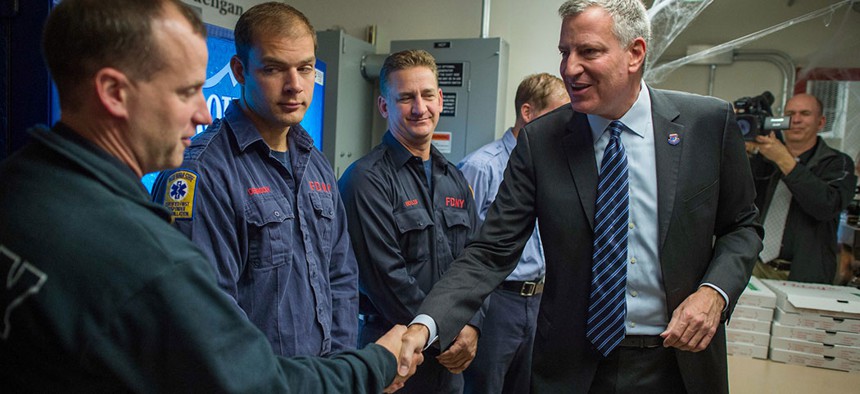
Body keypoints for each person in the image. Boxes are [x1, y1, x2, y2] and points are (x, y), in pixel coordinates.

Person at [0, 0, 417, 391]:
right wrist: (373, 366)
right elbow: (241, 377)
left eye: (306, 68)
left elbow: (339, 276)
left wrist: (342, 364)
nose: (203, 112)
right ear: (113, 92)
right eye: (185, 92)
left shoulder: (24, 186)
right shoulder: (142, 251)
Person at [398, 1, 763, 393]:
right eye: (564, 52)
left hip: (677, 361)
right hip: (573, 368)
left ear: (635, 53)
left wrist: (714, 293)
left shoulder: (707, 125)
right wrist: (427, 322)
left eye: (589, 52)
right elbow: (491, 249)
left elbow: (742, 227)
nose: (569, 69)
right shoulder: (542, 141)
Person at [151, 2, 358, 358]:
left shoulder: (315, 163)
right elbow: (204, 321)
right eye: (274, 69)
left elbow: (340, 279)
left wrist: (338, 374)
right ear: (239, 70)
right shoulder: (203, 172)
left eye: (305, 69)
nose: (295, 86)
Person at [338, 49, 481, 393]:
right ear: (384, 106)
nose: (420, 108)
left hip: (449, 360)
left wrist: (474, 325)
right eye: (406, 98)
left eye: (427, 95)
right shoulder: (365, 180)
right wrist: (445, 329)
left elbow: (476, 261)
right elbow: (387, 278)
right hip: (394, 356)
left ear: (440, 99)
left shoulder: (454, 178)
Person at [457, 72, 568, 394]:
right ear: (527, 112)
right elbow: (463, 246)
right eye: (557, 114)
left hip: (538, 301)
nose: (563, 125)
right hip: (497, 301)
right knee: (484, 386)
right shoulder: (482, 167)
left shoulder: (551, 166)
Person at [748, 93, 857, 284]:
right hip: (754, 268)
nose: (796, 120)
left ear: (821, 122)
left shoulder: (837, 163)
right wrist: (744, 152)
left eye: (805, 113)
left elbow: (826, 205)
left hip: (804, 274)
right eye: (790, 114)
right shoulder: (763, 160)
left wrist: (784, 159)